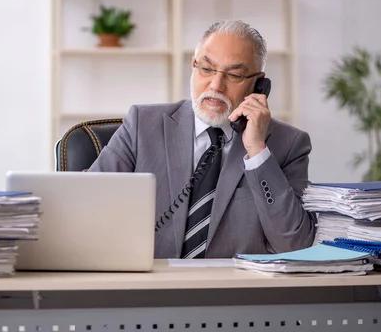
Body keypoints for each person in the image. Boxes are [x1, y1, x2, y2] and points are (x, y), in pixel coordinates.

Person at [88, 20, 316, 259]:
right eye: (206, 69)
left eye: (235, 74)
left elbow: (296, 246)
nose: (216, 85)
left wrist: (258, 152)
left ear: (258, 83)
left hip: (234, 292)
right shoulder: (141, 125)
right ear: (193, 66)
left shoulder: (289, 145)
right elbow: (87, 206)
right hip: (146, 287)